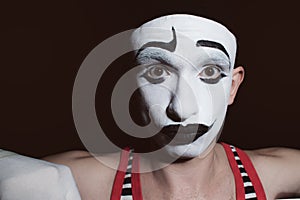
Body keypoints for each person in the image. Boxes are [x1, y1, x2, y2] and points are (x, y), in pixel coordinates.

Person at [1, 14, 300, 200]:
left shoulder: (276, 173)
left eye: (209, 73)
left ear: (232, 86)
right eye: (157, 73)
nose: (181, 109)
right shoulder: (89, 179)